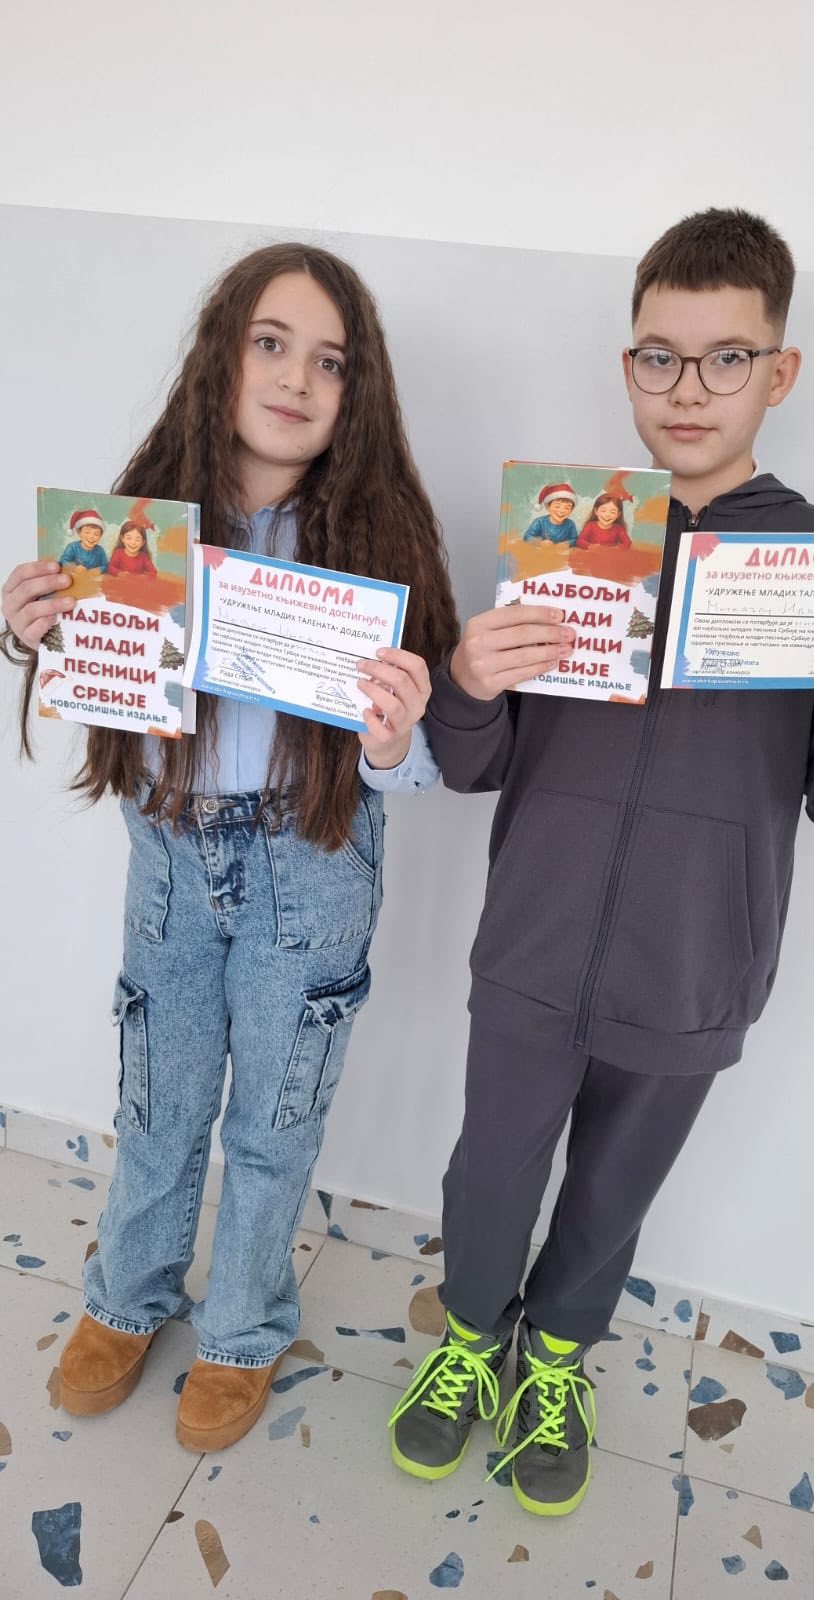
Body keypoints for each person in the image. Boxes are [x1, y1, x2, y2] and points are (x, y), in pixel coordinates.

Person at [388, 207, 814, 1518]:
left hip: (695, 965)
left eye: (727, 358)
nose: (690, 388)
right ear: (628, 367)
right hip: (532, 944)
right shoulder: (569, 535)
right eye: (661, 357)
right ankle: (469, 1337)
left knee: (615, 1187)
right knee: (489, 1170)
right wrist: (469, 683)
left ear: (780, 372)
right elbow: (476, 763)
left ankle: (557, 1356)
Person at [1, 242, 458, 1452]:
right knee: (158, 1096)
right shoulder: (143, 521)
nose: (297, 378)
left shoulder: (383, 539)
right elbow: (99, 671)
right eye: (271, 343)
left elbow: (419, 766)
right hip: (169, 855)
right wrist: (31, 631)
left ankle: (244, 1327)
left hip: (311, 863)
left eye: (331, 361)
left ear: (358, 392)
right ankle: (127, 1295)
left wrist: (393, 736)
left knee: (274, 1118)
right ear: (222, 355)